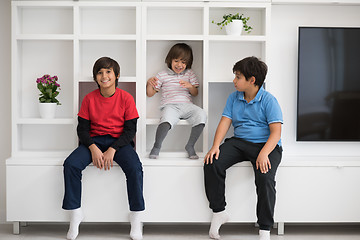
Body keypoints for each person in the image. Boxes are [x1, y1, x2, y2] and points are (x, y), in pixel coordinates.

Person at [62, 57, 145, 240]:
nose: (104, 76)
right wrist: (93, 147)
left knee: (135, 168)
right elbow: (81, 129)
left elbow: (130, 130)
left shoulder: (126, 98)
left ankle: (136, 217)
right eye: (99, 72)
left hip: (119, 143)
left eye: (108, 72)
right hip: (94, 141)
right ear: (95, 77)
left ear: (116, 76)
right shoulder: (89, 99)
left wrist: (113, 149)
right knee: (71, 165)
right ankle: (76, 213)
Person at [203, 56, 283, 240]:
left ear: (252, 80)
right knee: (211, 162)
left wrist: (263, 154)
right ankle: (218, 212)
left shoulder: (269, 100)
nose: (234, 81)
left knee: (265, 179)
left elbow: (276, 133)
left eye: (238, 77)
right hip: (239, 142)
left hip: (267, 145)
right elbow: (225, 122)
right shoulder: (234, 97)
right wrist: (215, 146)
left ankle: (264, 228)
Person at [146, 43, 207, 159]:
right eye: (177, 61)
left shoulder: (189, 74)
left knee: (201, 114)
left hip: (187, 106)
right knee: (166, 120)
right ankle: (157, 146)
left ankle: (190, 146)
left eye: (183, 62)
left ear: (187, 63)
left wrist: (190, 86)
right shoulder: (162, 75)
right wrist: (149, 83)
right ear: (170, 60)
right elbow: (150, 94)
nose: (179, 65)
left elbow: (195, 93)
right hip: (170, 106)